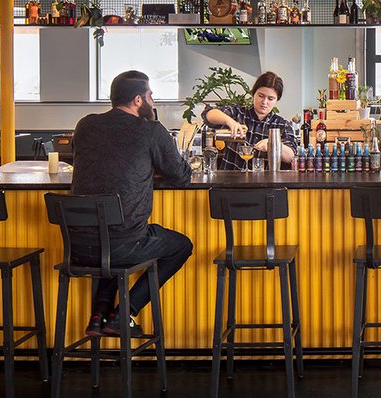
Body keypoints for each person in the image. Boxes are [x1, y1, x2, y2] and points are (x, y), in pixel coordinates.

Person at [70, 70, 194, 337]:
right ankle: (124, 313)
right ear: (139, 99)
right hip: (123, 246)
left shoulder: (85, 124)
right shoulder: (150, 130)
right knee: (180, 245)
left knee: (113, 234)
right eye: (150, 96)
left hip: (78, 247)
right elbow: (182, 177)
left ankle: (98, 317)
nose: (153, 100)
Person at [202, 71, 299, 170]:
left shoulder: (282, 125)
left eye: (270, 99)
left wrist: (272, 144)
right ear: (254, 93)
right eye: (261, 96)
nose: (264, 102)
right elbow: (208, 114)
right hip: (230, 182)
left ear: (276, 100)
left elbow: (291, 156)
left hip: (265, 183)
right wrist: (230, 122)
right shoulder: (238, 113)